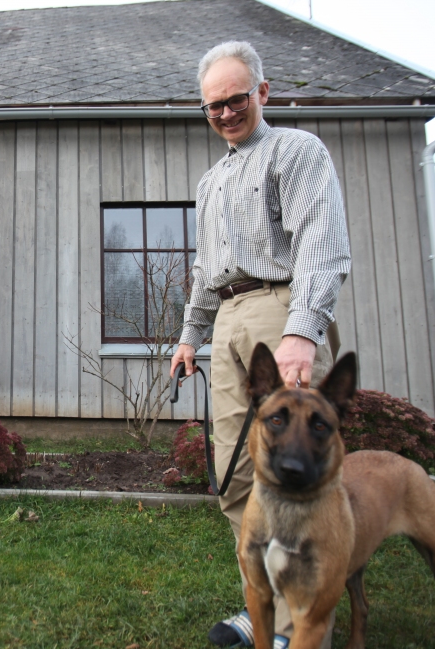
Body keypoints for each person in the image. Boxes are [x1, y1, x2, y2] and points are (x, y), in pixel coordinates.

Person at [169, 41, 351, 648]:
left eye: (235, 99)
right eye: (213, 105)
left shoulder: (295, 151)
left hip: (280, 306)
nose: (225, 113)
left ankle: (307, 624)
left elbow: (320, 242)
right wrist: (190, 335)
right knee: (234, 474)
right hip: (227, 319)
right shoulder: (209, 181)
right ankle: (264, 609)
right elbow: (203, 268)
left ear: (262, 93)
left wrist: (302, 328)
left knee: (298, 474)